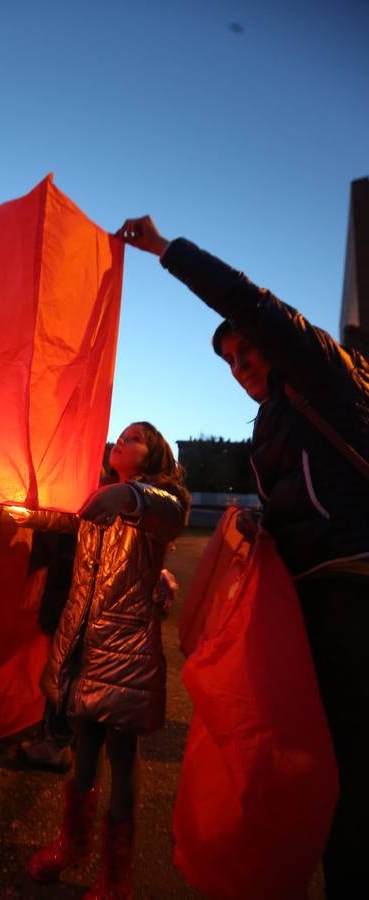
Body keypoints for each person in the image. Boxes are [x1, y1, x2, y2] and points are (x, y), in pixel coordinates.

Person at [117, 215, 369, 898]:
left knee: (348, 768)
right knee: (315, 759)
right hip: (314, 596)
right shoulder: (276, 415)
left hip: (354, 591)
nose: (242, 365)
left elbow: (247, 300)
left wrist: (168, 250)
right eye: (230, 362)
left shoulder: (322, 370)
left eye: (249, 349)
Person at [23, 422, 190, 898]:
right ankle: (72, 844)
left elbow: (167, 512)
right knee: (84, 747)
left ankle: (116, 876)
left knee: (121, 754)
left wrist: (130, 496)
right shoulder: (93, 496)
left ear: (154, 455)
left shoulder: (159, 501)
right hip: (82, 644)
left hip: (127, 651)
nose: (122, 439)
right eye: (121, 434)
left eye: (136, 437)